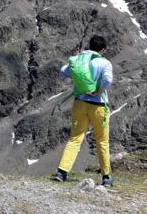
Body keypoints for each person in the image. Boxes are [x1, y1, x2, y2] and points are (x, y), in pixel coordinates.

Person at [53, 35, 114, 186]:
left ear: (90, 46)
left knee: (75, 139)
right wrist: (99, 92)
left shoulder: (81, 60)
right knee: (102, 141)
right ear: (103, 50)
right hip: (98, 106)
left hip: (80, 103)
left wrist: (79, 59)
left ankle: (62, 173)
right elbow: (108, 80)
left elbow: (64, 71)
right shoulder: (105, 63)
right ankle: (106, 177)